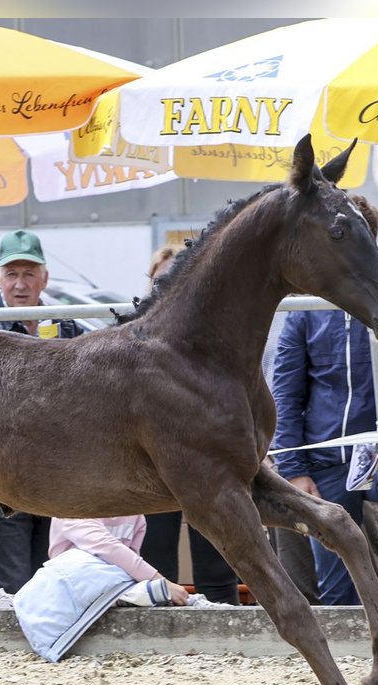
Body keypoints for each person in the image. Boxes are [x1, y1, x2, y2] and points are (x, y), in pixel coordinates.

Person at [271, 195, 378, 606]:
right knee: (338, 589)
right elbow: (285, 391)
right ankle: (344, 638)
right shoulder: (305, 310)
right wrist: (294, 467)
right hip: (326, 454)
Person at [0, 229, 84, 593]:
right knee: (12, 578)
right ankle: (11, 643)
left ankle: (42, 643)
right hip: (1, 470)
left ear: (44, 278)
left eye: (28, 274)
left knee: (49, 569)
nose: (20, 284)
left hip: (56, 469)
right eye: (11, 274)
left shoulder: (68, 325)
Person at [137, 244, 241, 605]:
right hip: (152, 462)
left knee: (216, 557)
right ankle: (158, 630)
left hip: (203, 459)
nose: (167, 287)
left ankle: (225, 622)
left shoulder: (215, 337)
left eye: (175, 279)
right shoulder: (132, 336)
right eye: (160, 280)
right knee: (157, 551)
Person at [13, 514, 196, 662]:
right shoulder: (72, 504)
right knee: (83, 562)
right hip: (72, 577)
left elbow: (129, 559)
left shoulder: (135, 513)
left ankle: (127, 595)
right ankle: (132, 595)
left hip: (114, 578)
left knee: (122, 574)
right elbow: (106, 546)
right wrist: (160, 580)